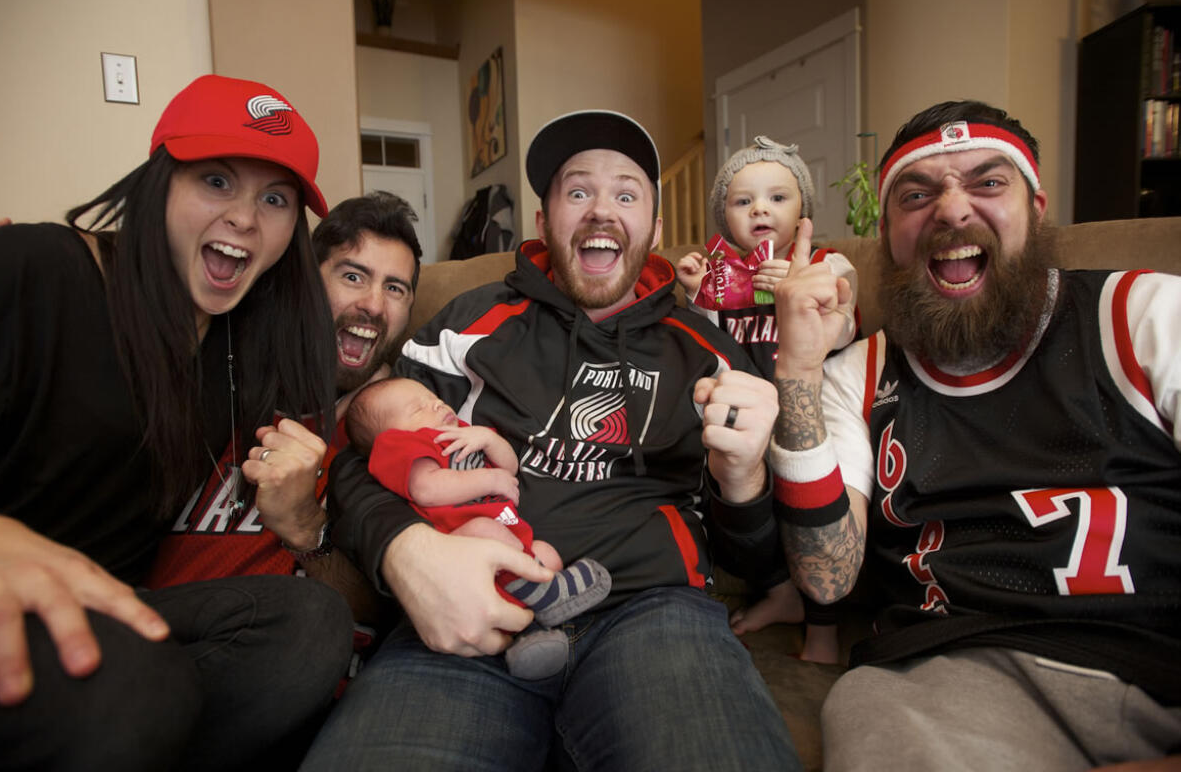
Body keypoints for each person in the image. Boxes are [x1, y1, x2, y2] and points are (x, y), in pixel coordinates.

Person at [301, 109, 802, 771]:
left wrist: (744, 481)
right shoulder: (467, 323)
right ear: (545, 223)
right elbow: (363, 458)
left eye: (626, 194)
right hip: (475, 608)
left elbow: (761, 562)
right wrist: (403, 549)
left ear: (653, 227)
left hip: (652, 614)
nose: (601, 211)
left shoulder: (710, 354)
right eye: (577, 192)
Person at [0, 74, 355, 771]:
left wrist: (308, 515)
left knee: (310, 628)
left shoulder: (239, 352)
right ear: (159, 182)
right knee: (140, 688)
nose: (245, 220)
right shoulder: (36, 268)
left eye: (274, 199)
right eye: (216, 181)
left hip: (108, 613)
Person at [771, 100, 1181, 770]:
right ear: (889, 236)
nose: (953, 210)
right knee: (870, 706)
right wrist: (798, 369)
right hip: (955, 681)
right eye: (917, 193)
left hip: (1159, 659)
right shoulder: (858, 372)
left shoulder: (1144, 313)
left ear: (1036, 209)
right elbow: (827, 578)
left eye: (988, 183)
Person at [144, 192, 422, 635]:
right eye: (353, 276)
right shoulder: (221, 362)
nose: (373, 304)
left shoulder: (404, 425)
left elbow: (390, 609)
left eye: (394, 288)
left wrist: (304, 525)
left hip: (294, 659)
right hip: (150, 632)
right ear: (307, 283)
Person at [676, 136, 857, 664]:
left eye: (778, 197)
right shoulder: (720, 273)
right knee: (747, 503)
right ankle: (780, 593)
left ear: (803, 208)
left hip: (811, 419)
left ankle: (823, 625)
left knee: (815, 515)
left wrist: (811, 289)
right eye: (742, 201)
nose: (760, 209)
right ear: (723, 219)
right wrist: (695, 297)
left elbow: (845, 324)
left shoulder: (827, 261)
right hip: (750, 420)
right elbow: (707, 349)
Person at [346, 376, 613, 678]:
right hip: (462, 545)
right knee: (487, 532)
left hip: (511, 536)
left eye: (431, 396)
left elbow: (510, 468)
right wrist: (488, 480)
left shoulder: (463, 433)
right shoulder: (400, 445)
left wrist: (489, 440)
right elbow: (426, 489)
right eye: (417, 408)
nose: (435, 403)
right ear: (388, 434)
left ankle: (530, 635)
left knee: (546, 554)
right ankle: (547, 599)